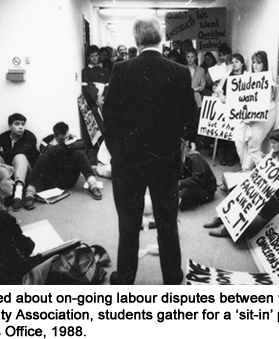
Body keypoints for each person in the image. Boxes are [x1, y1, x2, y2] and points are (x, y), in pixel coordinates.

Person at [103, 15, 196, 285]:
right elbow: (190, 117)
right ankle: (172, 277)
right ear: (160, 38)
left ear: (136, 40)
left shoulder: (121, 69)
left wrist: (117, 151)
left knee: (128, 225)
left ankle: (126, 278)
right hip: (165, 161)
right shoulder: (180, 71)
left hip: (127, 162)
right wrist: (178, 142)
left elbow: (109, 118)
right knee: (167, 223)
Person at [206, 128, 279, 238]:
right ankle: (221, 217)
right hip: (262, 184)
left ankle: (227, 228)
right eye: (271, 142)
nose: (272, 145)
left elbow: (276, 180)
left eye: (274, 143)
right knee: (239, 188)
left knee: (245, 196)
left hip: (270, 191)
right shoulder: (275, 152)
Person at [25, 122, 102, 209]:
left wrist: (61, 147)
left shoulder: (74, 138)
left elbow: (82, 144)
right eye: (61, 139)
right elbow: (45, 151)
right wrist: (65, 146)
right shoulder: (46, 141)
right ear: (55, 135)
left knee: (79, 153)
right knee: (42, 158)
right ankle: (29, 194)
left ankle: (93, 186)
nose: (65, 140)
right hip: (52, 179)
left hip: (69, 177)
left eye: (67, 137)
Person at [234, 51, 276, 171]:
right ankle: (245, 167)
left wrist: (249, 117)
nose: (255, 65)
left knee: (253, 144)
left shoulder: (268, 81)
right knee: (239, 138)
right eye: (253, 62)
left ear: (264, 64)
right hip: (251, 116)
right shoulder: (250, 79)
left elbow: (262, 104)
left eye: (259, 62)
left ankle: (247, 171)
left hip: (266, 115)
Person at [0, 113, 39, 211]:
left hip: (26, 173)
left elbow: (21, 151)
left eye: (23, 124)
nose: (21, 127)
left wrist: (3, 152)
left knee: (20, 157)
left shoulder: (29, 136)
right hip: (10, 173)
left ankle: (18, 196)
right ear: (10, 125)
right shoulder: (4, 136)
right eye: (17, 124)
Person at [214, 53, 246, 166]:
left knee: (235, 133)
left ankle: (231, 157)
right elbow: (218, 89)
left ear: (242, 63)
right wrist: (222, 97)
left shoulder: (246, 76)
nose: (234, 64)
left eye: (237, 62)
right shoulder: (227, 76)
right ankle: (222, 156)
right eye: (232, 62)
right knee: (225, 131)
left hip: (240, 108)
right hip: (228, 106)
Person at [179, 139, 216, 211]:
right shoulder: (181, 158)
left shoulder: (194, 158)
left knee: (183, 194)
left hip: (206, 189)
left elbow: (198, 179)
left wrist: (180, 183)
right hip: (194, 184)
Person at [82, 44, 110, 135]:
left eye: (96, 55)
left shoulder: (105, 72)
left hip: (103, 103)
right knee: (97, 130)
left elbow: (107, 88)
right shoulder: (85, 71)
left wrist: (102, 99)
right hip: (93, 105)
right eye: (92, 56)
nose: (94, 58)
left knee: (106, 127)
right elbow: (85, 90)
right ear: (88, 58)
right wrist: (95, 100)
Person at [185, 48, 206, 151]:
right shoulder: (183, 69)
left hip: (196, 97)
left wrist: (194, 89)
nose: (190, 59)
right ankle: (188, 140)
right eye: (188, 57)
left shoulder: (201, 70)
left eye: (192, 57)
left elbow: (202, 86)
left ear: (196, 58)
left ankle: (192, 141)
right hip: (185, 98)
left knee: (194, 120)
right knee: (186, 120)